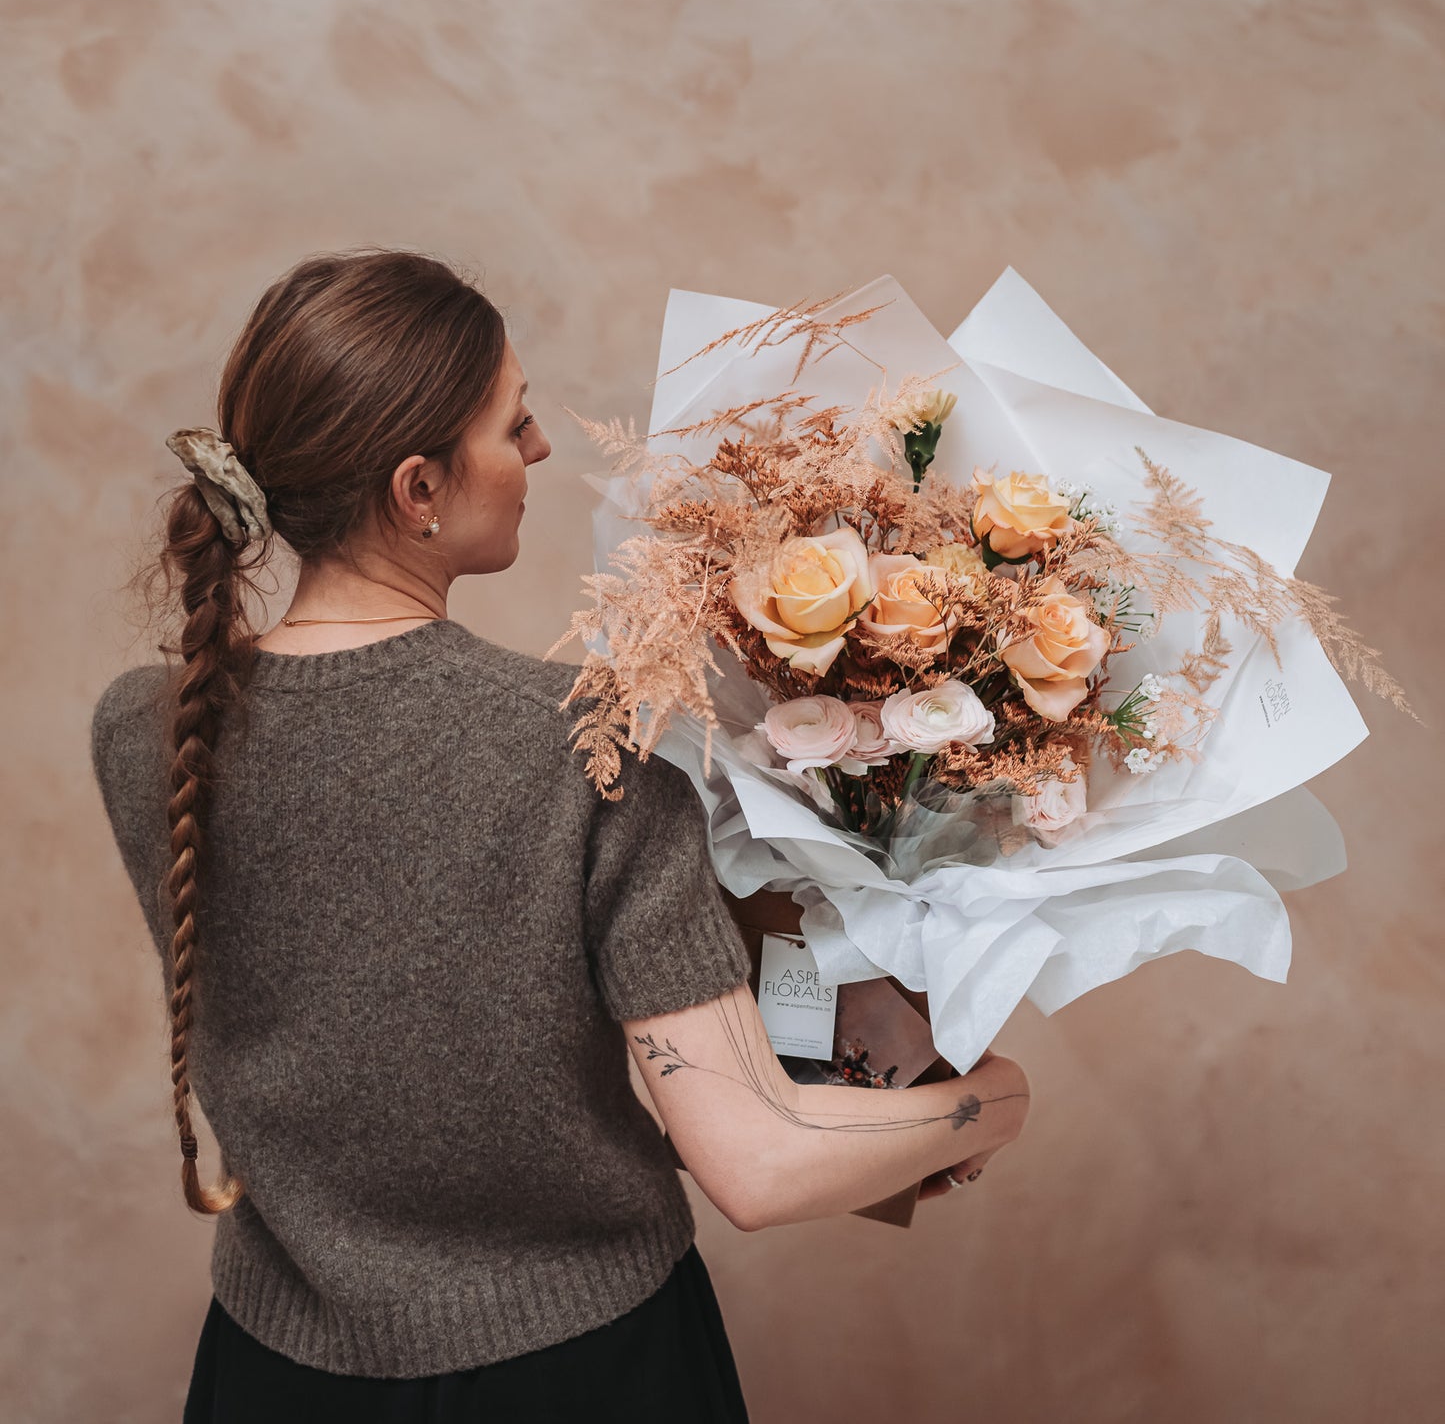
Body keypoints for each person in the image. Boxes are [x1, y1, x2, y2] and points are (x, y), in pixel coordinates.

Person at [93, 249, 1031, 1423]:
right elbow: (757, 1159)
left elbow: (413, 1077)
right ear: (418, 487)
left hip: (267, 1382)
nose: (537, 449)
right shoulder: (580, 746)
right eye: (513, 423)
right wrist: (991, 1100)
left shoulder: (143, 728)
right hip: (581, 1378)